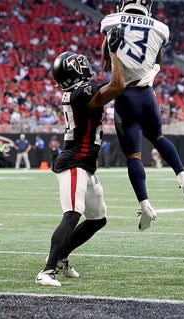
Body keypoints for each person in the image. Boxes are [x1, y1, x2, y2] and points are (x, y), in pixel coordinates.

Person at [35, 28, 126, 286]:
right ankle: (47, 270)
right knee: (73, 213)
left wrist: (108, 47)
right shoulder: (82, 92)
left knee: (98, 219)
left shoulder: (78, 91)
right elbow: (117, 84)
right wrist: (115, 51)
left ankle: (62, 257)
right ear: (76, 70)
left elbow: (108, 75)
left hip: (84, 163)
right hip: (74, 162)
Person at [100, 0, 184, 231]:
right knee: (159, 138)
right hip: (147, 95)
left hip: (125, 96)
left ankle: (145, 206)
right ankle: (183, 176)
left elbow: (106, 63)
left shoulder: (110, 21)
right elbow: (159, 58)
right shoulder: (160, 27)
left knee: (134, 156)